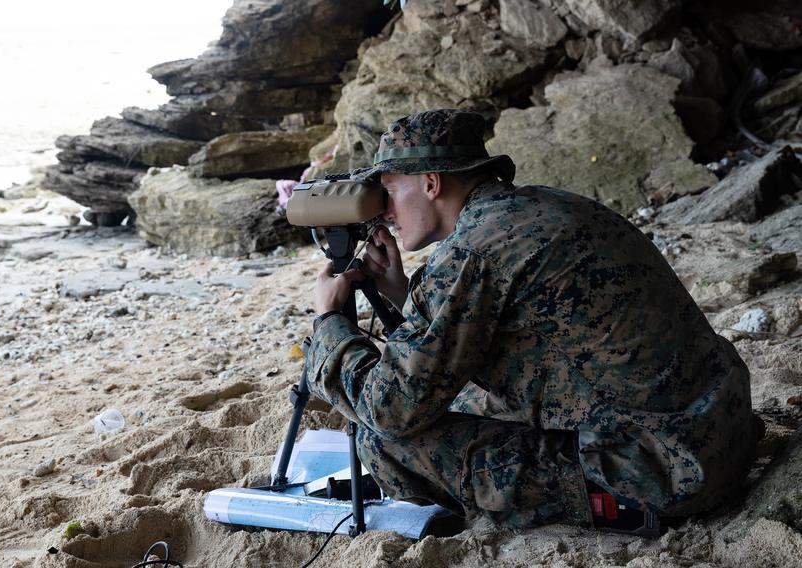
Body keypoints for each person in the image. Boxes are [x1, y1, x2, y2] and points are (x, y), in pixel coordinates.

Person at [307, 108, 758, 529]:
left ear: (430, 183)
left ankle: (609, 506)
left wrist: (330, 321)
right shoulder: (543, 206)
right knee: (458, 399)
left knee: (382, 442)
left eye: (388, 190)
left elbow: (391, 410)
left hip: (659, 472)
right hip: (718, 430)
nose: (382, 210)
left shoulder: (473, 252)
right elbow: (520, 336)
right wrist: (404, 294)